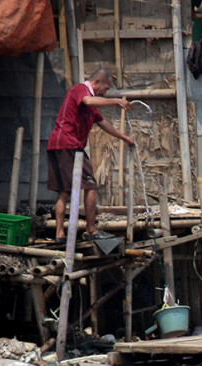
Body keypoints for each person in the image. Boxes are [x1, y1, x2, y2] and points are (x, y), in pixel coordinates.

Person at [47, 67, 135, 240]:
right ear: (97, 82)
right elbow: (88, 101)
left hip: (57, 144)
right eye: (106, 88)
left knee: (64, 191)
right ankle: (91, 229)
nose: (105, 92)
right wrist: (116, 101)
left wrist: (125, 138)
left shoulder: (90, 106)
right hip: (69, 144)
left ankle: (60, 233)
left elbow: (104, 124)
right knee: (90, 186)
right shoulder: (81, 90)